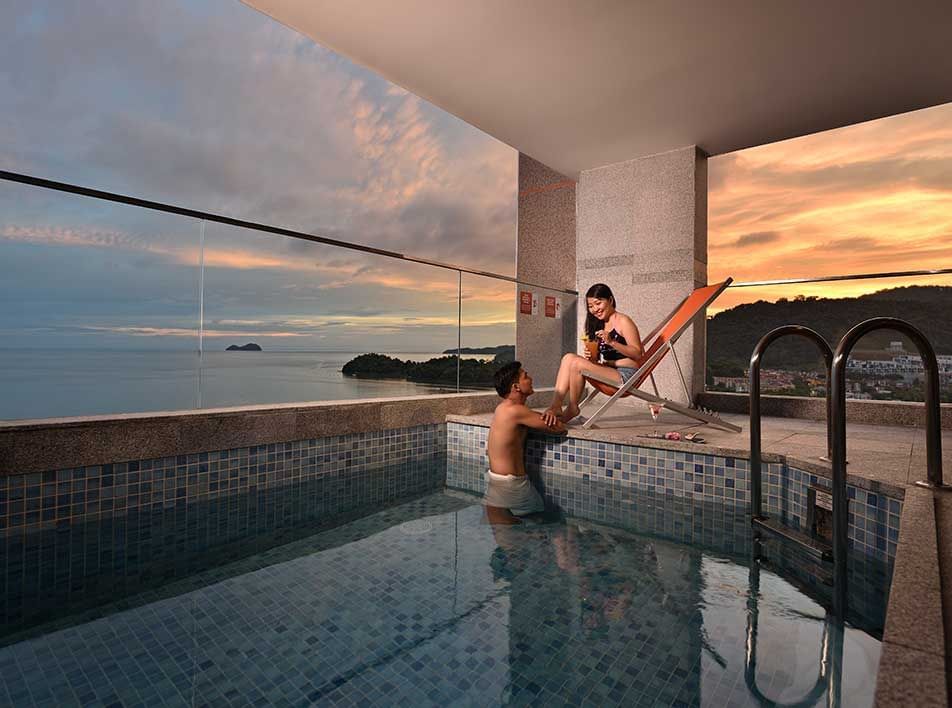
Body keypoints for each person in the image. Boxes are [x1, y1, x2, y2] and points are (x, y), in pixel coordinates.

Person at [546, 283, 644, 423]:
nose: (595, 309)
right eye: (590, 306)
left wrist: (612, 342)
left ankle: (573, 407)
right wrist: (591, 357)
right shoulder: (598, 324)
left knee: (576, 363)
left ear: (610, 300)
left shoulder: (623, 321)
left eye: (598, 303)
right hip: (609, 371)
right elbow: (598, 360)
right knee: (568, 358)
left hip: (626, 375)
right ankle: (555, 406)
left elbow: (637, 354)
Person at [485, 361, 566, 520]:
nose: (530, 379)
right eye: (526, 376)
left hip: (496, 482)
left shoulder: (503, 408)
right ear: (516, 387)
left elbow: (531, 416)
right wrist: (551, 412)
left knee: (509, 538)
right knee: (543, 526)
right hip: (512, 486)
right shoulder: (516, 411)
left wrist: (545, 414)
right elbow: (560, 428)